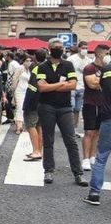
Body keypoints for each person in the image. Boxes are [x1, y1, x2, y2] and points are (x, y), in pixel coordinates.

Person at [36, 38, 87, 186]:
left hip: (65, 107)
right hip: (46, 107)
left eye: (61, 47)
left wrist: (51, 86)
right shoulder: (42, 67)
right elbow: (41, 88)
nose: (59, 49)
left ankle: (78, 174)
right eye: (56, 47)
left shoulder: (68, 65)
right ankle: (48, 171)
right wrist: (61, 84)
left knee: (71, 141)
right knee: (48, 140)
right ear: (49, 49)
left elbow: (72, 85)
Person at [83, 51, 111, 206]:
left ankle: (94, 194)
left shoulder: (106, 70)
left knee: (101, 157)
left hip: (108, 116)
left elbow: (99, 86)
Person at [81, 44, 109, 171]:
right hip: (91, 103)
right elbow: (92, 84)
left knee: (98, 132)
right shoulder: (90, 67)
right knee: (89, 132)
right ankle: (85, 158)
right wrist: (104, 82)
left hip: (103, 104)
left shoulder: (107, 69)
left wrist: (101, 81)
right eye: (107, 53)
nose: (108, 55)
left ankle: (92, 156)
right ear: (99, 54)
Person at [22, 49, 46, 162]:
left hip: (33, 102)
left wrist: (26, 104)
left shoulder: (36, 68)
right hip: (43, 101)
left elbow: (32, 88)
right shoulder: (47, 67)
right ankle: (38, 150)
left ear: (35, 57)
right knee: (39, 126)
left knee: (31, 126)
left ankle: (36, 151)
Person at [67, 40, 91, 131]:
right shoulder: (72, 59)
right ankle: (68, 128)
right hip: (72, 86)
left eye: (86, 48)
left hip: (82, 87)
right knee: (71, 107)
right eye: (83, 48)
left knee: (77, 109)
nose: (85, 50)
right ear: (79, 48)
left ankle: (74, 128)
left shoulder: (89, 60)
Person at [11, 52, 30, 134]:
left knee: (24, 108)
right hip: (19, 91)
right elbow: (14, 80)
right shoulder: (20, 68)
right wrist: (13, 92)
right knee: (20, 108)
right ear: (23, 61)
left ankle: (21, 124)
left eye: (30, 61)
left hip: (26, 91)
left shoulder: (29, 70)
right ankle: (19, 127)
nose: (29, 62)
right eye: (27, 61)